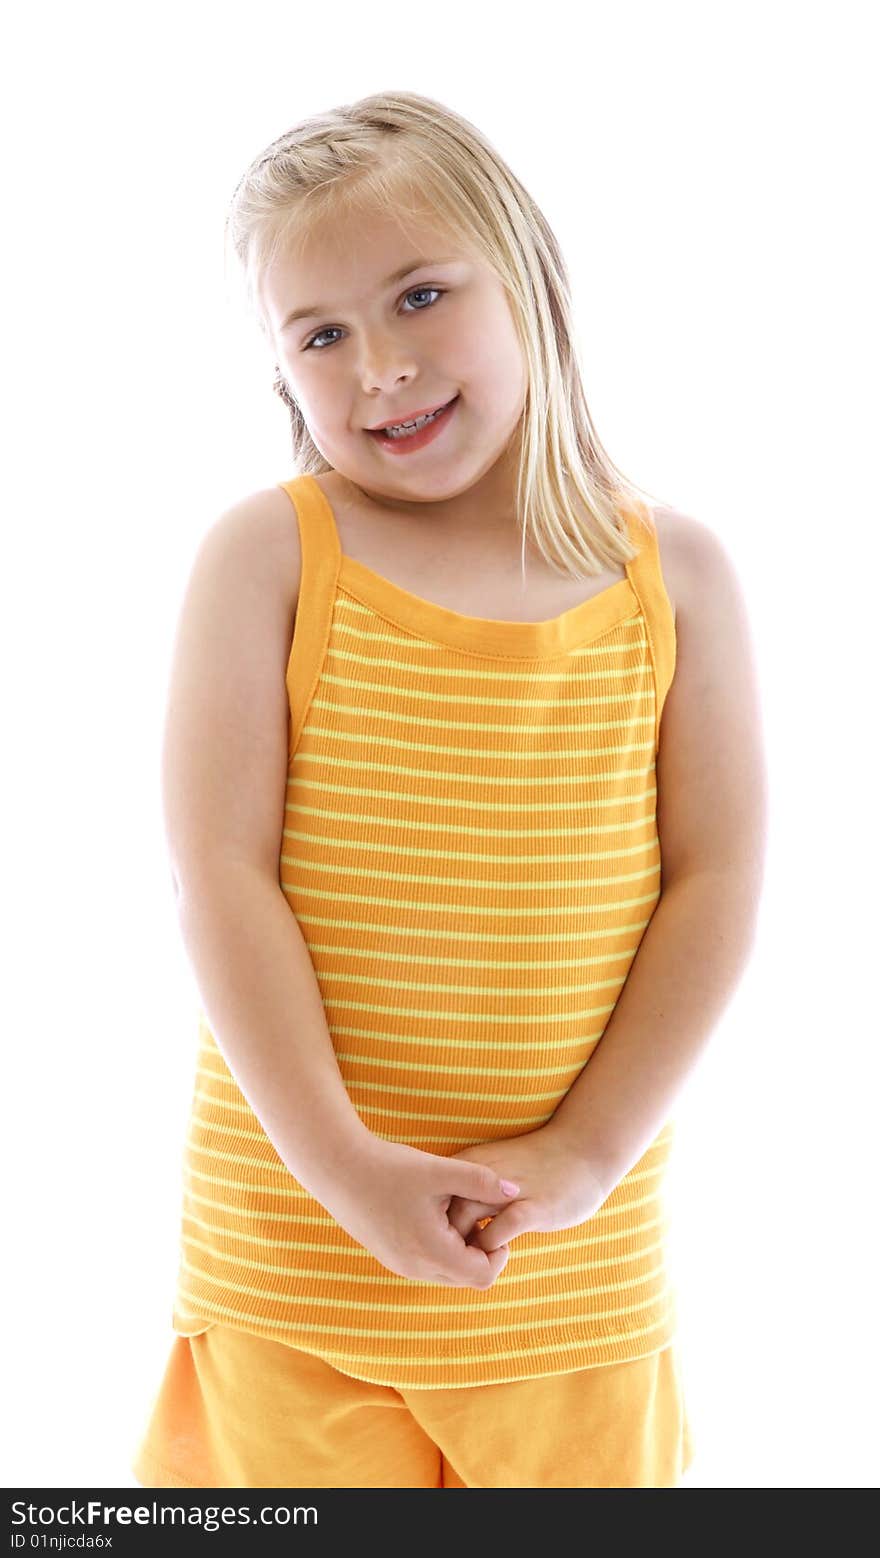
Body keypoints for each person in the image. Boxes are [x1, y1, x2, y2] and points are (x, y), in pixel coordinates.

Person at [131, 89, 766, 1490]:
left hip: (569, 1279)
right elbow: (217, 877)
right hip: (296, 1265)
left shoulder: (682, 582)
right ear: (282, 371)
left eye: (421, 295)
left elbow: (716, 883)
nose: (383, 366)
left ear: (529, 277)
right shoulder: (273, 556)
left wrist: (587, 1153)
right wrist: (348, 1171)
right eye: (323, 333)